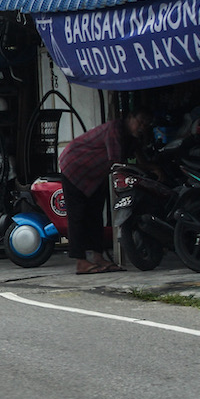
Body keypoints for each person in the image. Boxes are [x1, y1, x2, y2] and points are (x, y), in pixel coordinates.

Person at [58, 108, 153, 275]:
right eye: (140, 122)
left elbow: (139, 157)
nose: (142, 127)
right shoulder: (114, 129)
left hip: (95, 175)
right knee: (78, 215)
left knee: (95, 214)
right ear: (130, 117)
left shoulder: (133, 137)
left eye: (146, 124)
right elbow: (117, 162)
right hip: (75, 168)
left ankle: (98, 256)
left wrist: (154, 168)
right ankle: (80, 261)